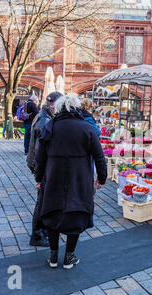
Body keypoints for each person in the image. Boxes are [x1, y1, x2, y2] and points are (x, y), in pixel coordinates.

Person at [35, 94, 107, 269]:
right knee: (76, 212)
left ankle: (53, 257)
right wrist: (102, 178)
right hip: (79, 177)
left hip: (53, 176)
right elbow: (99, 156)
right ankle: (69, 256)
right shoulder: (86, 127)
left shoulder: (51, 126)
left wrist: (38, 178)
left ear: (59, 108)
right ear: (77, 107)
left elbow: (40, 157)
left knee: (53, 212)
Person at [26, 91, 63, 247]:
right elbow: (42, 151)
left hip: (37, 163)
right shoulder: (45, 121)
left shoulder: (44, 116)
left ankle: (42, 231)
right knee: (42, 201)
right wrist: (40, 174)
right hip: (40, 164)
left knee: (43, 199)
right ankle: (38, 234)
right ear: (52, 105)